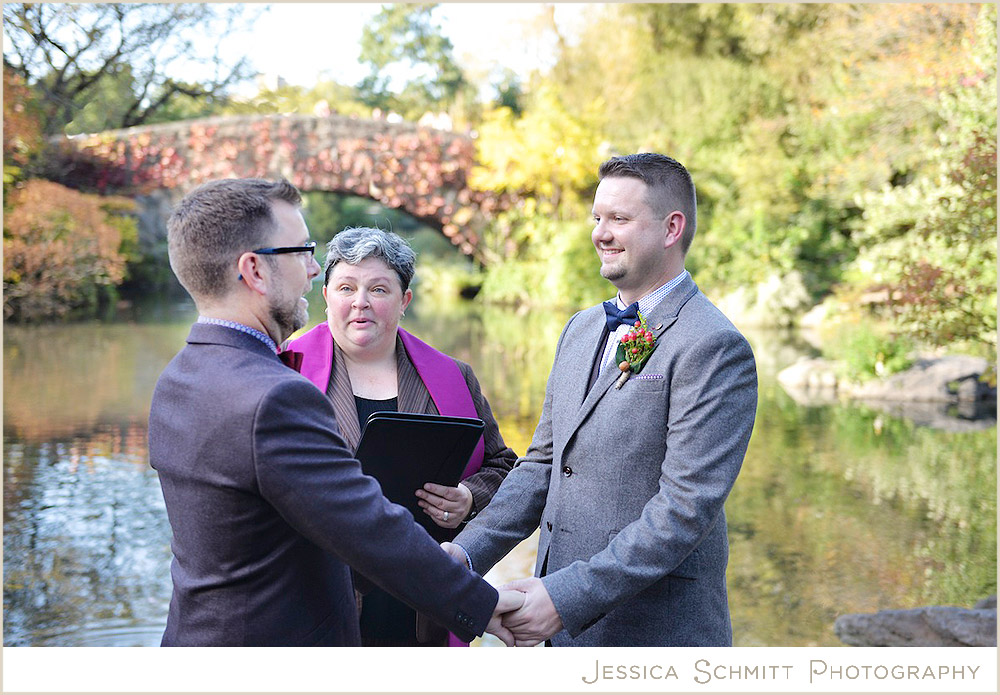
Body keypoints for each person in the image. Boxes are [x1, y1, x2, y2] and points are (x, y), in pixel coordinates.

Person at [147, 178, 521, 646]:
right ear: (256, 271)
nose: (311, 268)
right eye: (301, 251)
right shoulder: (276, 396)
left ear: (404, 300)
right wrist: (480, 604)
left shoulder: (180, 376)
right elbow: (365, 526)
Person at [447, 153, 758, 647]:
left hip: (655, 638)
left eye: (619, 218)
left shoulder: (714, 346)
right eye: (597, 218)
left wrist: (564, 597)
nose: (600, 233)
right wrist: (463, 557)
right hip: (563, 639)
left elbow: (683, 511)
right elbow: (544, 465)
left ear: (671, 227)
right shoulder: (580, 328)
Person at [284, 227, 516, 646]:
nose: (360, 303)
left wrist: (468, 497)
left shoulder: (452, 376)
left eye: (378, 289)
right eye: (346, 287)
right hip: (320, 596)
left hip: (421, 599)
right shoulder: (286, 372)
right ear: (326, 296)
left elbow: (503, 464)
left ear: (404, 300)